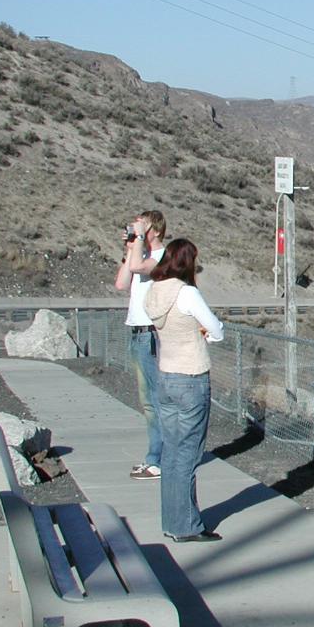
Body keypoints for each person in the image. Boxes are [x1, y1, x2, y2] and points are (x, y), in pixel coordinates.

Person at [144, 239, 224, 542]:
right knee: (188, 454)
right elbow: (214, 328)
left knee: (171, 451)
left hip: (165, 374)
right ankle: (187, 525)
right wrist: (206, 334)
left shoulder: (154, 291)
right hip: (191, 376)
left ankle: (172, 520)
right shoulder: (186, 293)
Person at [113, 210, 166, 481]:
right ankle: (155, 456)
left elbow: (137, 268)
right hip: (136, 331)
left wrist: (138, 245)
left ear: (154, 230)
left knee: (155, 401)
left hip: (150, 334)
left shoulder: (161, 258)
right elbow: (122, 282)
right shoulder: (139, 256)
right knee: (147, 400)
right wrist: (131, 247)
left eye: (142, 226)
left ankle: (158, 460)